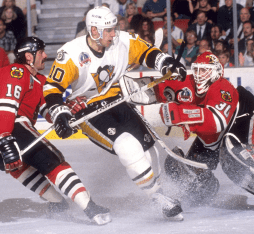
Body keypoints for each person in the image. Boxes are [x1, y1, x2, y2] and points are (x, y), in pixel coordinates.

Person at [43, 6, 187, 221]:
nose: (114, 34)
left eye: (114, 29)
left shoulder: (121, 40)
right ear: (94, 31)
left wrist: (166, 63)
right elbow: (52, 87)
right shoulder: (71, 53)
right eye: (108, 30)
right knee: (126, 146)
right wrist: (59, 112)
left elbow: (146, 51)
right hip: (89, 110)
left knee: (149, 149)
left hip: (118, 100)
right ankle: (157, 197)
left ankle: (158, 192)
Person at [0, 37, 111, 225]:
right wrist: (4, 136)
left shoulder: (39, 80)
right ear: (29, 56)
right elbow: (5, 106)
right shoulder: (16, 71)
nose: (45, 56)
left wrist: (66, 114)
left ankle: (57, 203)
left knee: (21, 167)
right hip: (7, 128)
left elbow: (50, 110)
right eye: (41, 52)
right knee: (53, 161)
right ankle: (89, 206)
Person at [156, 51, 254, 213]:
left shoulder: (222, 87)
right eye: (197, 70)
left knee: (237, 154)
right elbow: (159, 89)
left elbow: (216, 122)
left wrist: (180, 114)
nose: (199, 75)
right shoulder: (188, 84)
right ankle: (206, 188)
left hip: (243, 118)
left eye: (204, 70)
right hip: (213, 135)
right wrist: (138, 92)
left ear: (216, 73)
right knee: (181, 166)